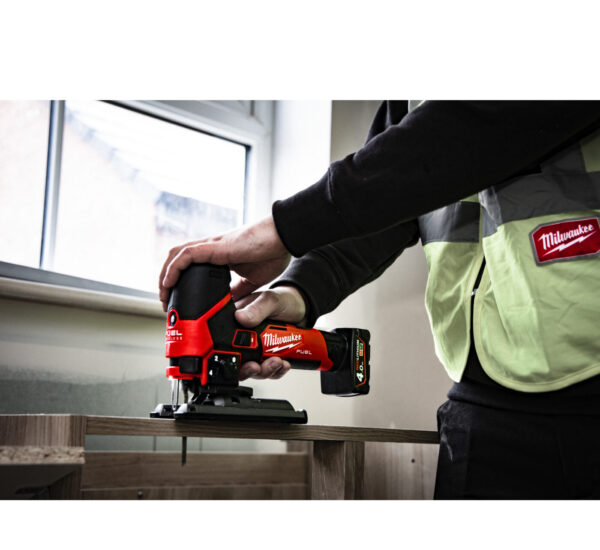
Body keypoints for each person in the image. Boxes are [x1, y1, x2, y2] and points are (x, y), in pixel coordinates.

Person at [159, 101, 600, 499]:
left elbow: (467, 129)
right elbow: (382, 206)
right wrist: (297, 293)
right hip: (480, 399)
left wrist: (282, 228)